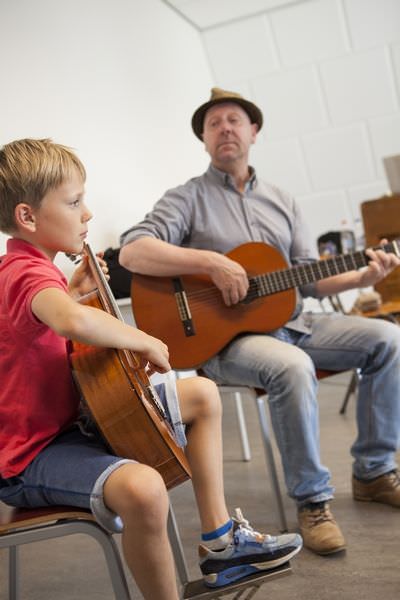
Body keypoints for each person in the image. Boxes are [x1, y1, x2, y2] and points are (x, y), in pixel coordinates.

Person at [0, 138, 302, 599]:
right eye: (75, 201)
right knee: (143, 489)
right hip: (31, 457)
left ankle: (221, 541)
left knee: (200, 396)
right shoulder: (23, 272)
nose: (88, 214)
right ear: (28, 217)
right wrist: (143, 337)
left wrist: (76, 292)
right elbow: (69, 320)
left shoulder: (39, 274)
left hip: (72, 426)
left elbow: (56, 321)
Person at [119, 88, 400, 557]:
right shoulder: (187, 198)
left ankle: (373, 471)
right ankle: (313, 502)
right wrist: (210, 262)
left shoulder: (283, 200)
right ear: (204, 140)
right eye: (214, 124)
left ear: (253, 132)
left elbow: (309, 278)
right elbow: (132, 250)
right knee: (290, 366)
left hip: (294, 323)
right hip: (227, 343)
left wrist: (365, 274)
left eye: (234, 120)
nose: (225, 128)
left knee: (388, 337)